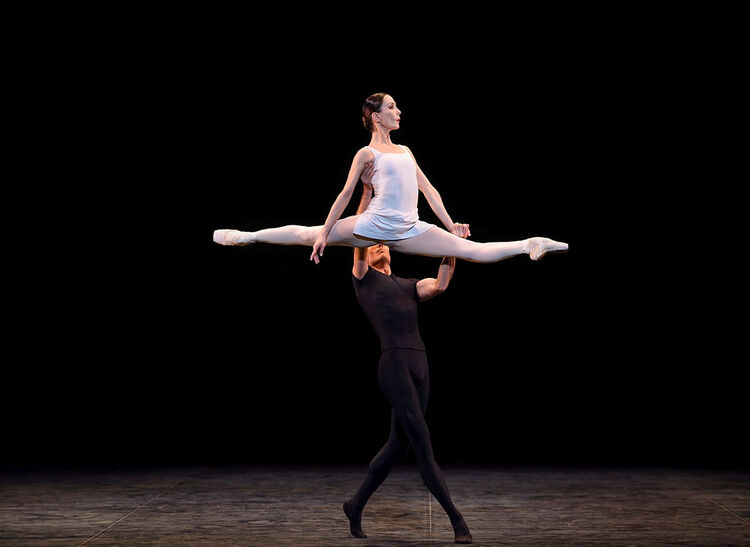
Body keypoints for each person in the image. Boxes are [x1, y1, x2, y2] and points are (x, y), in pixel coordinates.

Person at [213, 92, 568, 264]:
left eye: (396, 107)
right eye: (392, 107)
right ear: (376, 117)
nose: (398, 111)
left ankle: (530, 243)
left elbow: (429, 190)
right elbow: (344, 193)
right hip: (374, 222)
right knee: (307, 235)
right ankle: (247, 236)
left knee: (470, 251)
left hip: (408, 228)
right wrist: (325, 232)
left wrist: (450, 224)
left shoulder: (406, 151)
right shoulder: (368, 153)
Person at [342, 176, 473, 544]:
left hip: (420, 363)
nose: (379, 244)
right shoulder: (363, 278)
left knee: (397, 444)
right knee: (422, 442)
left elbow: (441, 283)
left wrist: (454, 246)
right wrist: (367, 194)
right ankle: (457, 521)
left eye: (383, 243)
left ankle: (355, 504)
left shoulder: (407, 285)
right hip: (394, 364)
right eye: (374, 244)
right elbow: (359, 233)